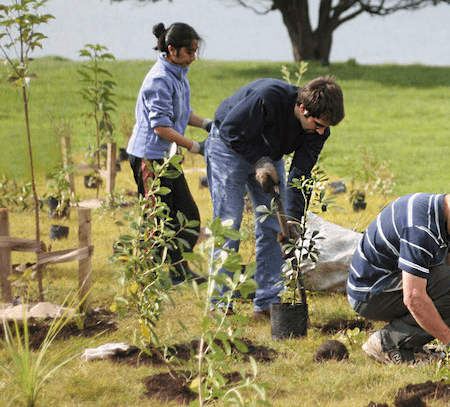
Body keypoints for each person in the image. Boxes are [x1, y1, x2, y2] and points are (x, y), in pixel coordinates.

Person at [206, 75, 344, 315]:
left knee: (274, 227)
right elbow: (230, 129)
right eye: (319, 124)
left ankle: (268, 301)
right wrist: (259, 160)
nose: (321, 132)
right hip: (228, 148)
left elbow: (301, 174)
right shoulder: (268, 97)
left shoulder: (319, 132)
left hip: (270, 155)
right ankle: (219, 305)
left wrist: (292, 219)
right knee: (229, 225)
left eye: (326, 127)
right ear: (303, 109)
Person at [347, 178, 450, 365]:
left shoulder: (449, 221)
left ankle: (413, 340)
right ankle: (386, 342)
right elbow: (413, 297)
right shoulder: (421, 227)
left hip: (394, 277)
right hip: (371, 293)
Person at [126, 22, 212, 285]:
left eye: (196, 51)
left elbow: (181, 112)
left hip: (166, 157)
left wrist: (208, 123)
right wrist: (194, 146)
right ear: (172, 50)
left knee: (188, 216)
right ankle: (147, 277)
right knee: (158, 218)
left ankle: (177, 270)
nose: (193, 58)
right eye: (189, 52)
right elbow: (161, 126)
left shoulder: (178, 72)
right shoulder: (159, 79)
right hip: (148, 157)